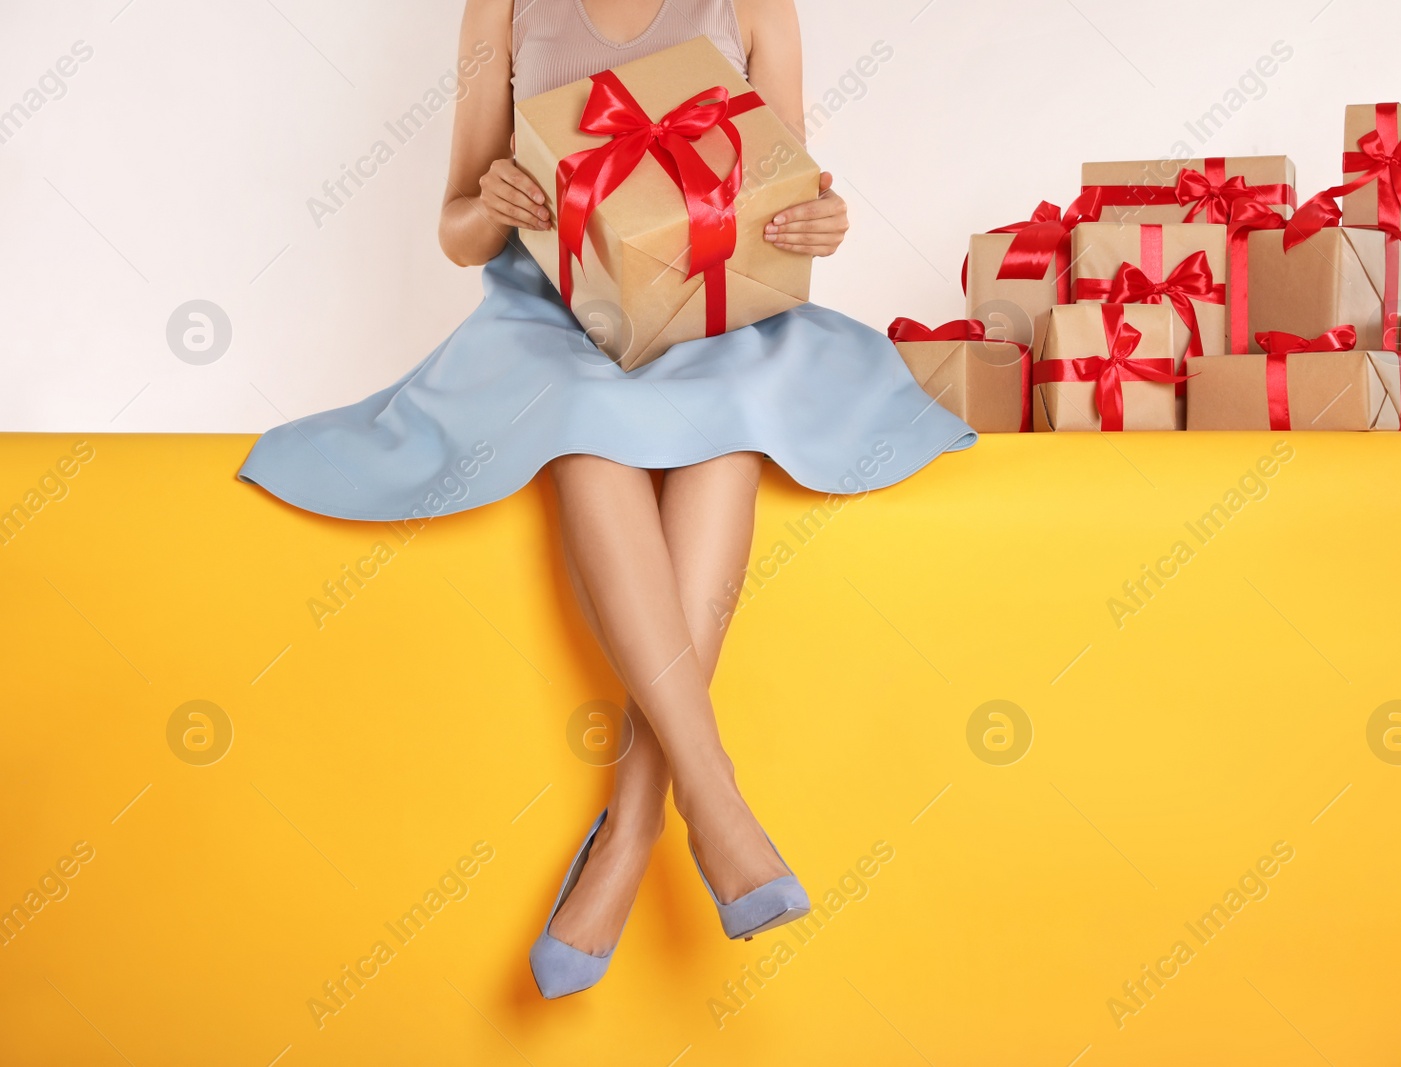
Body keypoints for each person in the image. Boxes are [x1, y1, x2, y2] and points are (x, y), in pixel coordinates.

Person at [237, 0, 975, 999]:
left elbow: (784, 195)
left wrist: (824, 218)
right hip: (551, 317)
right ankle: (715, 809)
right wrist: (495, 201)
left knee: (728, 439)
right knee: (581, 425)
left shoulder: (759, 5)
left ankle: (631, 833)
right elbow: (458, 231)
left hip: (715, 312)